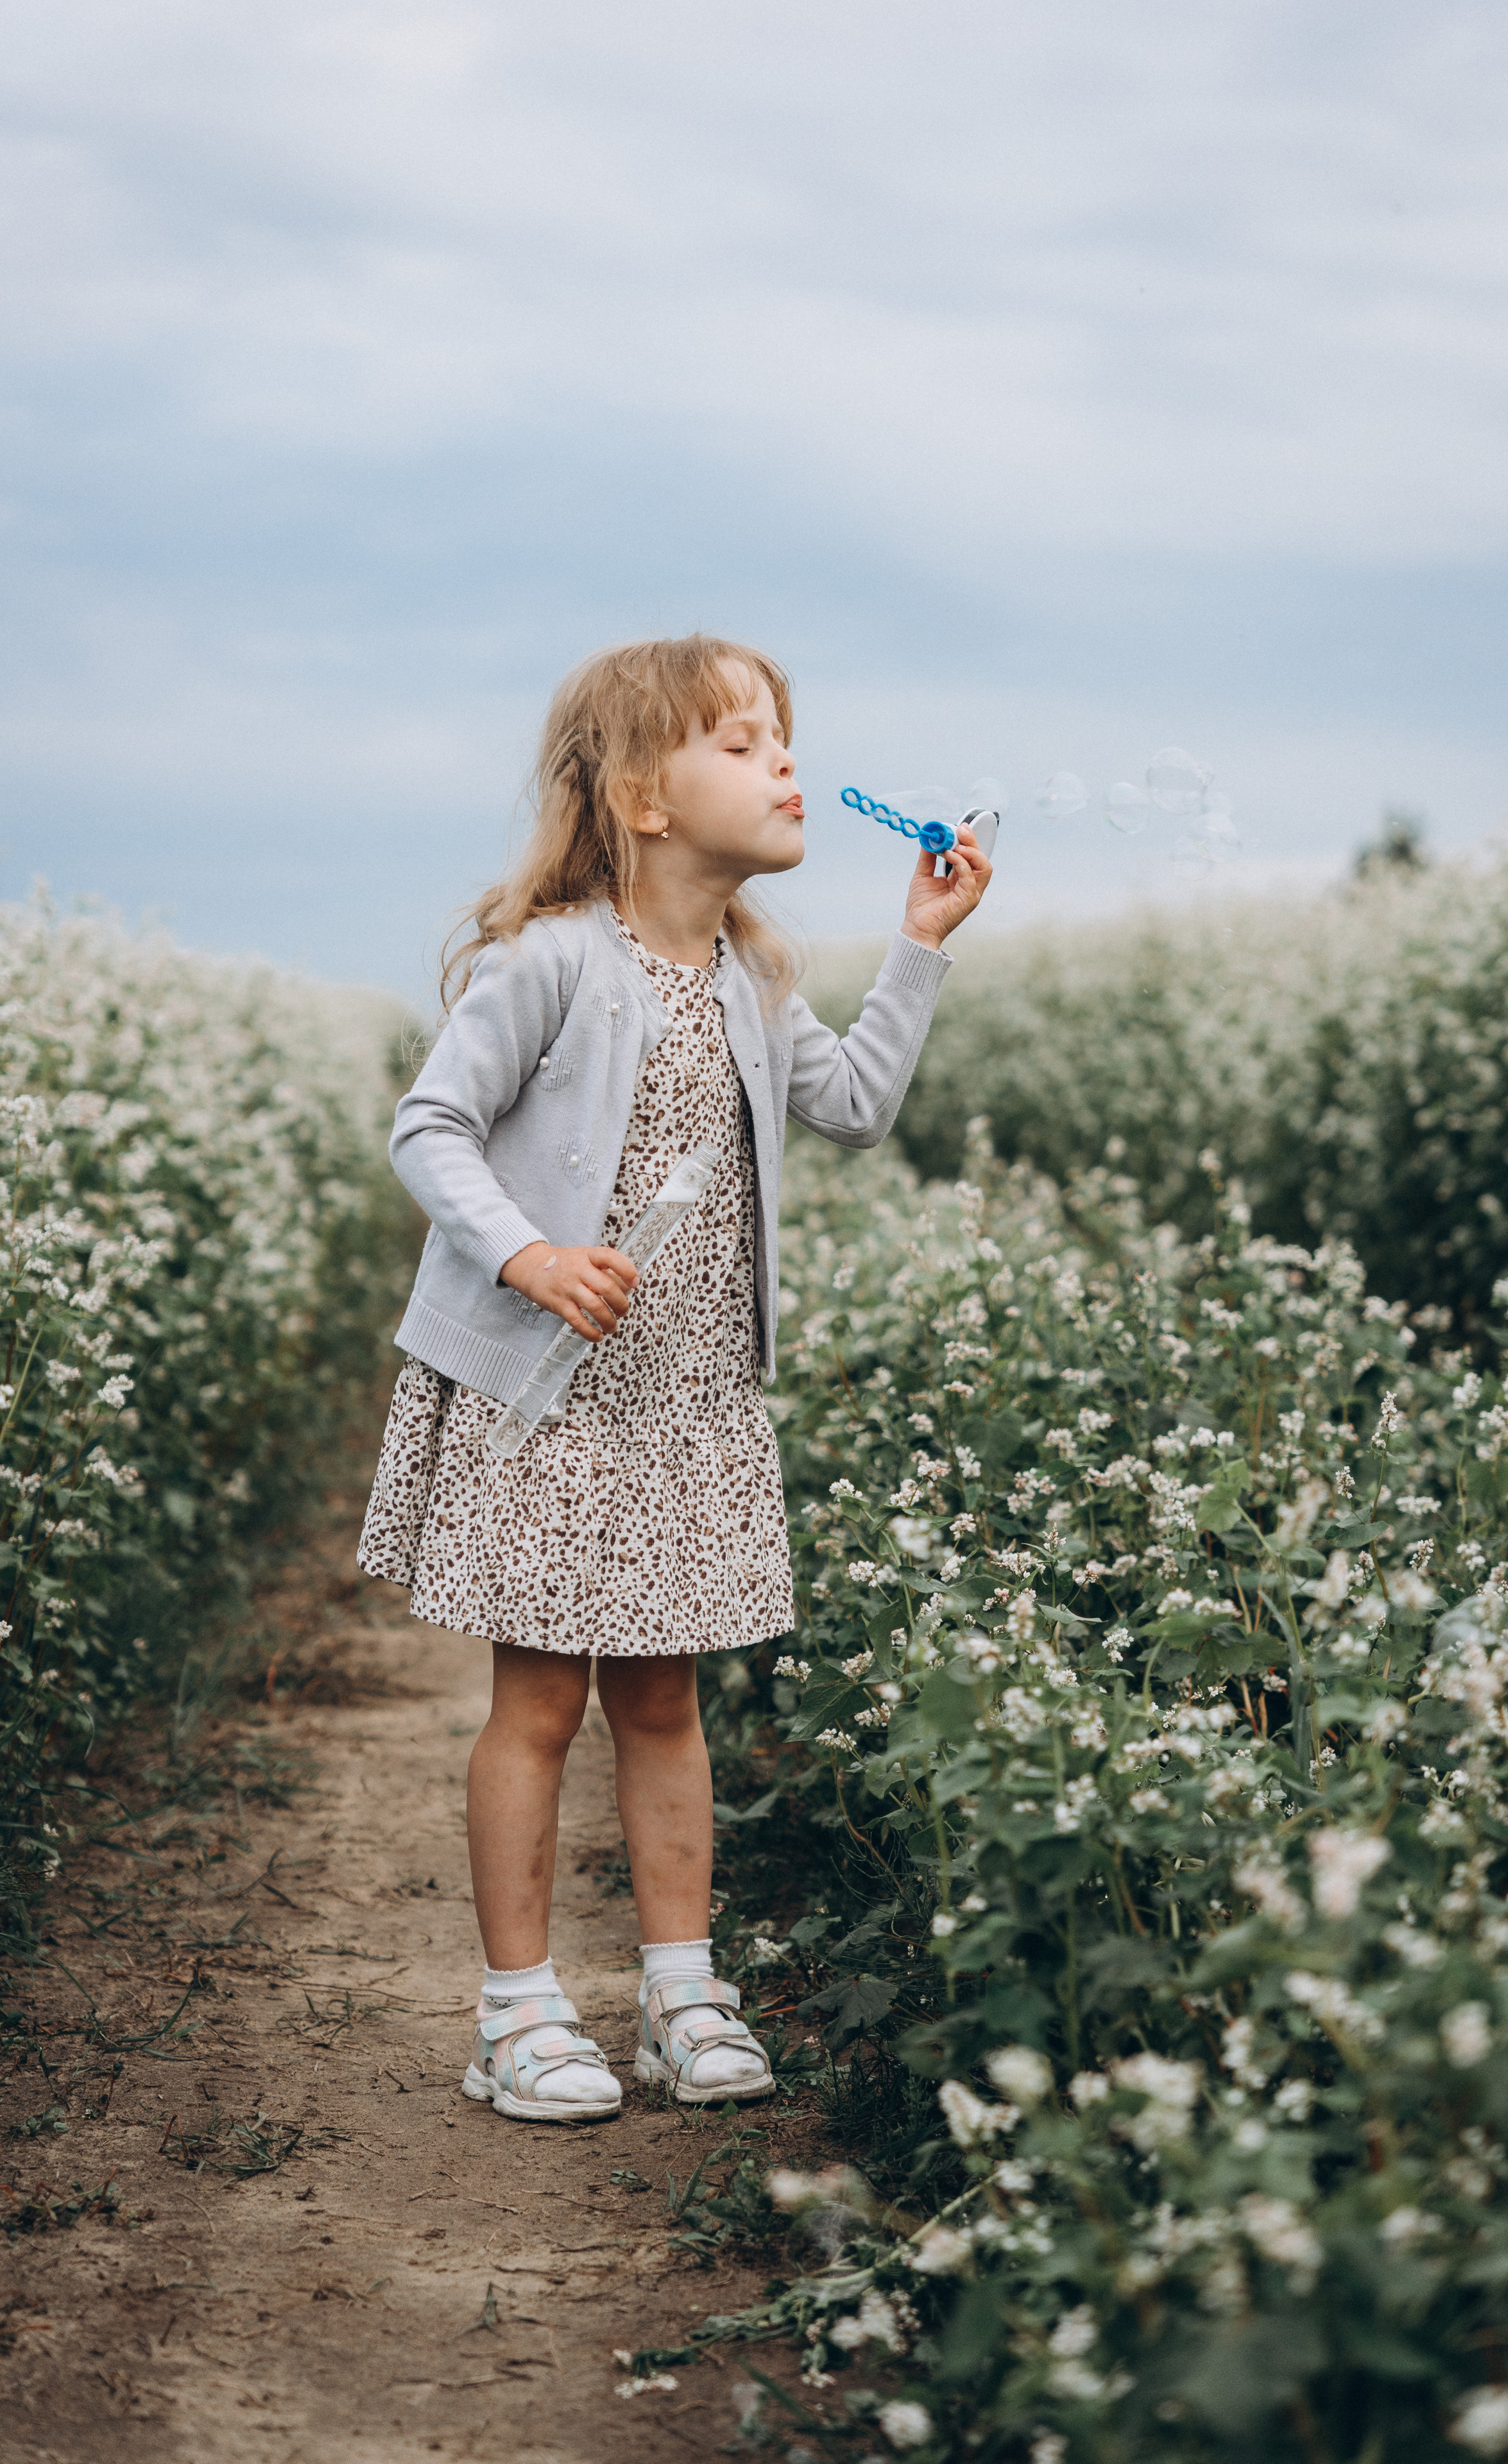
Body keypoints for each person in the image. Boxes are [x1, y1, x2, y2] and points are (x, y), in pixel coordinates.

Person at [359, 633, 990, 2121]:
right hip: (547, 1400)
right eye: (743, 743)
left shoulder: (751, 975)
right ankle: (517, 2015)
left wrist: (920, 941)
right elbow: (428, 1126)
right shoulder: (549, 960)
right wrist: (528, 1256)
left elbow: (855, 1106)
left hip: (686, 1407)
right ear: (644, 798)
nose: (784, 765)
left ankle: (679, 1995)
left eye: (782, 738)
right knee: (538, 1707)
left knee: (662, 1705)